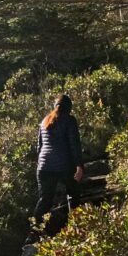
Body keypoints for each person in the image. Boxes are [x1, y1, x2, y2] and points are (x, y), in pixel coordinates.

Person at [33, 94, 84, 226]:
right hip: (63, 166)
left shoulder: (45, 120)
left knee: (44, 200)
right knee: (74, 194)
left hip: (44, 167)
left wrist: (40, 164)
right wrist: (79, 166)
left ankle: (34, 231)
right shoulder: (69, 120)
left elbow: (39, 147)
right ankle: (75, 225)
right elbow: (74, 144)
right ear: (69, 108)